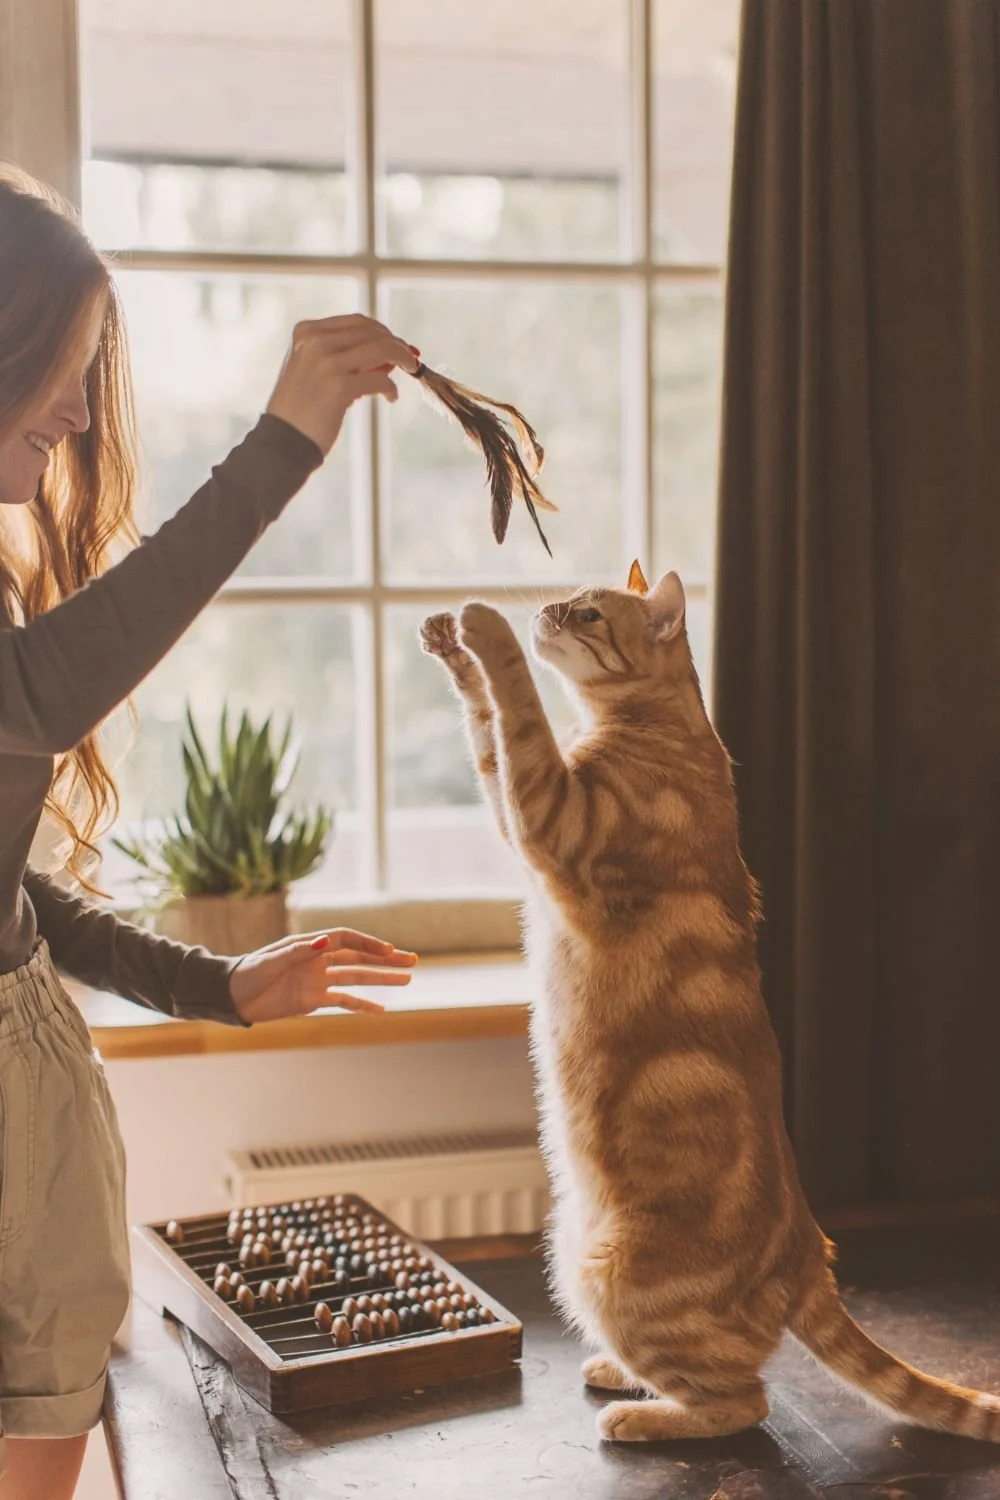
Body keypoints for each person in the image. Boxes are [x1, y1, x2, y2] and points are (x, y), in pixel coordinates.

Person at [0, 162, 421, 1500]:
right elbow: (46, 696)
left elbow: (10, 891)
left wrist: (216, 984)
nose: (76, 412)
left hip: (32, 1090)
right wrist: (282, 443)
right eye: (59, 370)